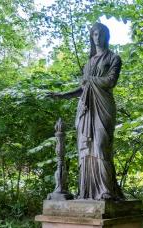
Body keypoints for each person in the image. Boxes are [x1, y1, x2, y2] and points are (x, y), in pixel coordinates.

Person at [49, 23, 124, 200]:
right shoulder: (88, 63)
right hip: (86, 109)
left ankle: (106, 190)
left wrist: (90, 80)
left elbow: (110, 81)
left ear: (106, 36)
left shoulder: (114, 58)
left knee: (101, 145)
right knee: (86, 149)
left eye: (100, 34)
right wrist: (62, 95)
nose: (97, 37)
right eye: (94, 34)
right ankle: (88, 191)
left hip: (103, 106)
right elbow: (82, 88)